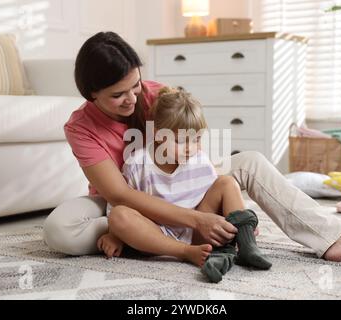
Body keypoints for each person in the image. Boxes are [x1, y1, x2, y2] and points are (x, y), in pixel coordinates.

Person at [43, 31, 341, 262]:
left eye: (135, 86)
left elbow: (194, 140)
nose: (132, 99)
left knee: (249, 162)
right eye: (117, 95)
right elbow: (120, 194)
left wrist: (213, 191)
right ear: (91, 95)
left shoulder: (154, 94)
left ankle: (337, 238)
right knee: (59, 230)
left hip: (181, 188)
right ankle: (122, 233)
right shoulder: (81, 127)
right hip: (126, 199)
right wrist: (197, 218)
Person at [97, 87, 272, 282]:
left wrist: (239, 223)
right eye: (181, 141)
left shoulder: (200, 161)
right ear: (157, 134)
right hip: (156, 236)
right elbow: (119, 205)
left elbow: (216, 199)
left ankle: (246, 243)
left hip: (199, 232)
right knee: (120, 215)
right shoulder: (138, 163)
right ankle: (186, 252)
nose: (191, 148)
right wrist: (115, 235)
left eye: (196, 139)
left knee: (227, 182)